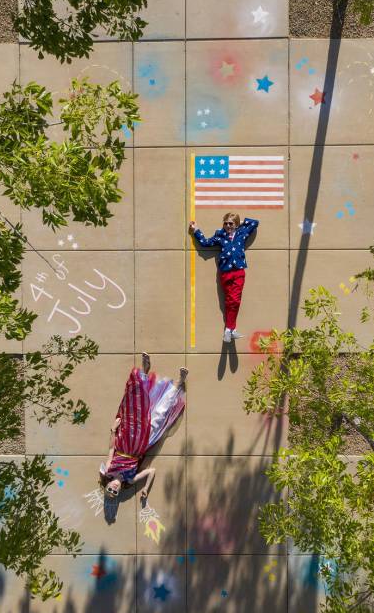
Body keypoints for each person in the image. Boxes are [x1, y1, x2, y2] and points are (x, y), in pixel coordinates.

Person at [99, 353, 188, 498]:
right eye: (115, 492)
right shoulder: (131, 479)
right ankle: (179, 383)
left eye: (110, 489)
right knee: (161, 413)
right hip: (142, 444)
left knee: (136, 404)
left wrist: (113, 430)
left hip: (126, 435)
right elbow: (151, 471)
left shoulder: (108, 469)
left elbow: (111, 449)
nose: (113, 489)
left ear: (107, 485)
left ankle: (144, 372)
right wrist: (145, 489)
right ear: (119, 490)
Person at [189, 213, 259, 343]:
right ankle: (231, 330)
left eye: (231, 223)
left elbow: (255, 223)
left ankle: (229, 329)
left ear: (236, 225)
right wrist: (196, 230)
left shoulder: (242, 233)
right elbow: (205, 243)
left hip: (239, 271)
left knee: (235, 300)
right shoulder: (220, 236)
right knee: (229, 300)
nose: (228, 226)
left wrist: (240, 222)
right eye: (226, 223)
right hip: (225, 272)